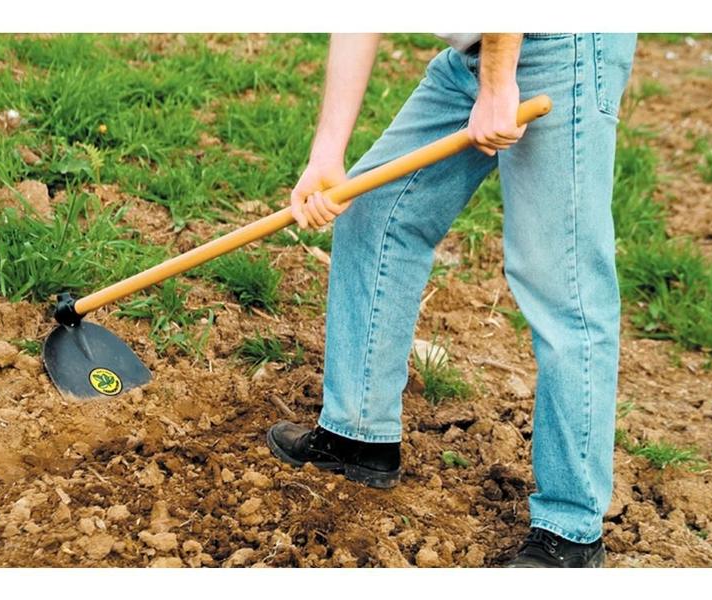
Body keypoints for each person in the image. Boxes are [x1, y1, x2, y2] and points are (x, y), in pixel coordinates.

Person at [266, 33, 637, 568]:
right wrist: (327, 152)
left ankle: (570, 529)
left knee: (562, 282)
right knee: (372, 208)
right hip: (477, 51)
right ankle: (358, 433)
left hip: (562, 42)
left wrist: (498, 80)